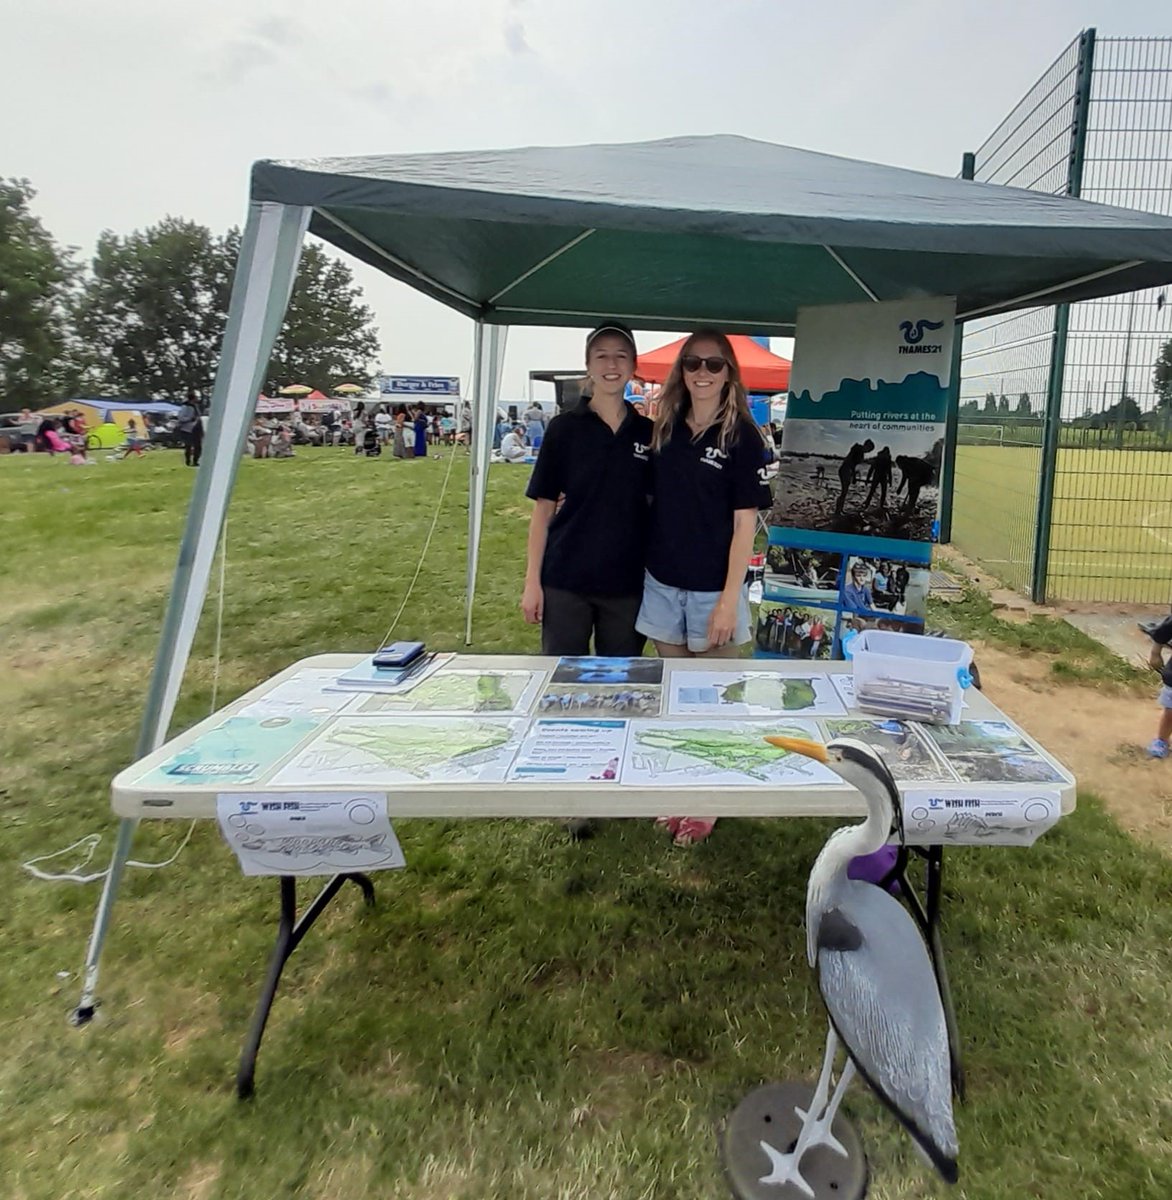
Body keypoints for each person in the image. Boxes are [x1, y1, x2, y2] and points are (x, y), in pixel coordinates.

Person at [636, 329, 772, 846]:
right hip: (663, 583)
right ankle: (681, 787)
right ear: (682, 370)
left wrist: (728, 602)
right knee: (677, 697)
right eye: (693, 362)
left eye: (714, 364)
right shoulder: (665, 428)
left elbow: (744, 526)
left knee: (715, 700)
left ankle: (709, 799)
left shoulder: (744, 437)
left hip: (715, 590)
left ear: (729, 372)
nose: (703, 372)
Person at [523, 321, 652, 662]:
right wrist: (532, 583)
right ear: (588, 364)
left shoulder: (649, 433)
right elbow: (543, 511)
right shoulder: (563, 429)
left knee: (621, 682)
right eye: (601, 356)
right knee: (562, 681)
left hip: (626, 584)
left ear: (633, 365)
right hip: (565, 581)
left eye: (621, 356)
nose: (611, 365)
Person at [177, 391, 203, 467]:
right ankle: (188, 461)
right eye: (196, 397)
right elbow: (181, 418)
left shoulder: (195, 406)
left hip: (196, 427)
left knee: (198, 446)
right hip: (188, 429)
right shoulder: (185, 407)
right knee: (188, 446)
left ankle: (195, 461)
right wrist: (190, 419)